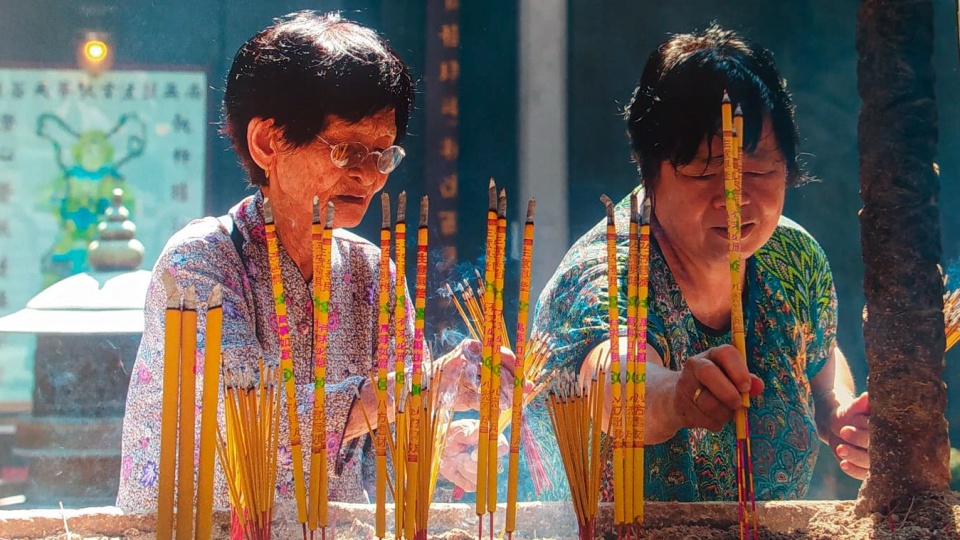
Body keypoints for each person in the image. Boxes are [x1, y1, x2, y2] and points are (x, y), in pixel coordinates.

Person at [117, 11, 510, 511]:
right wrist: (425, 385)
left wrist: (445, 449)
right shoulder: (200, 265)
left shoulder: (372, 274)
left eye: (384, 154)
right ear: (268, 143)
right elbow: (255, 420)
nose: (370, 177)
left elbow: (393, 439)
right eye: (347, 151)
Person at [531, 25, 870, 502]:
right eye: (706, 171)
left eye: (758, 170)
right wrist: (675, 395)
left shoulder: (794, 256)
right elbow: (611, 378)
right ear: (650, 173)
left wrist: (837, 413)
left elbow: (818, 353)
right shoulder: (607, 268)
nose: (734, 198)